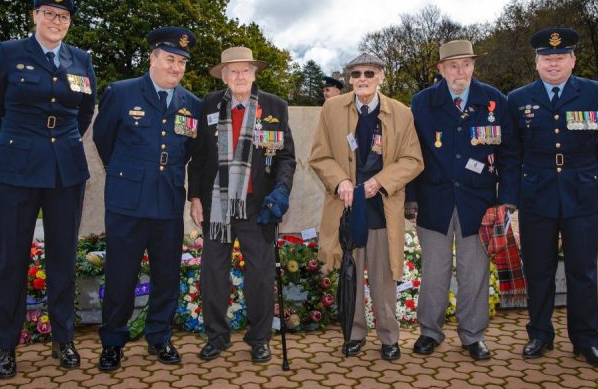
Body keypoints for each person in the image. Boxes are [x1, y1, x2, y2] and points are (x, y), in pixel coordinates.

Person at [0, 0, 96, 379]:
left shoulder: (81, 60)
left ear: (69, 23)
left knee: (62, 258)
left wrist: (60, 141)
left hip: (65, 169)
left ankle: (63, 340)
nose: (56, 21)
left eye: (63, 17)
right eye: (49, 13)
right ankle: (7, 346)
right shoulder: (8, 53)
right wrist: (18, 144)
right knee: (13, 259)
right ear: (34, 16)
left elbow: (84, 111)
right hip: (16, 169)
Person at [507, 27, 598, 369]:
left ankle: (586, 341)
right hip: (537, 195)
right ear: (536, 62)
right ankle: (540, 334)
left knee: (583, 272)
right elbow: (513, 150)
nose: (553, 63)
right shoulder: (518, 99)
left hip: (582, 194)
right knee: (539, 270)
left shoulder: (597, 93)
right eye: (547, 57)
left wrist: (589, 169)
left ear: (573, 59)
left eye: (560, 57)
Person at [92, 27, 202, 371]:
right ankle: (112, 342)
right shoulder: (122, 93)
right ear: (153, 58)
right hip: (127, 202)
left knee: (167, 275)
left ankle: (159, 337)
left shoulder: (192, 104)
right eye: (169, 58)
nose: (176, 67)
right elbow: (103, 140)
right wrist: (130, 172)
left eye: (182, 61)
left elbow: (191, 152)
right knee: (121, 275)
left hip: (168, 201)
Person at [404, 40, 519, 361]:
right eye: (453, 65)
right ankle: (430, 331)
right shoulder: (423, 102)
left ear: (473, 66)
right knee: (435, 271)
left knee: (474, 272)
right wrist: (410, 198)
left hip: (479, 204)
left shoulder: (495, 101)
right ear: (441, 69)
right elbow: (412, 153)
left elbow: (510, 155)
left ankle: (472, 336)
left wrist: (507, 199)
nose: (460, 71)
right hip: (433, 201)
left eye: (466, 64)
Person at [309, 53, 423, 361]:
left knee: (385, 277)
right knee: (352, 273)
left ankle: (389, 337)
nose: (362, 79)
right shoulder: (331, 110)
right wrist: (341, 181)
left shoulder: (401, 113)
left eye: (369, 73)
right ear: (348, 79)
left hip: (383, 207)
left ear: (381, 77)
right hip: (347, 207)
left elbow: (413, 160)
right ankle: (355, 333)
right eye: (356, 73)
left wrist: (381, 181)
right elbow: (319, 156)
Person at [187, 46, 296, 363]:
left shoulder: (274, 106)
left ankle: (260, 338)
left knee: (261, 275)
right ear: (223, 75)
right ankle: (217, 336)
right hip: (216, 205)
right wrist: (195, 197)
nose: (239, 76)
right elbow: (198, 157)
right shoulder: (207, 105)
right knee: (213, 273)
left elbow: (286, 158)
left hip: (258, 205)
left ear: (254, 73)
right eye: (232, 71)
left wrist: (281, 191)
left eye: (245, 70)